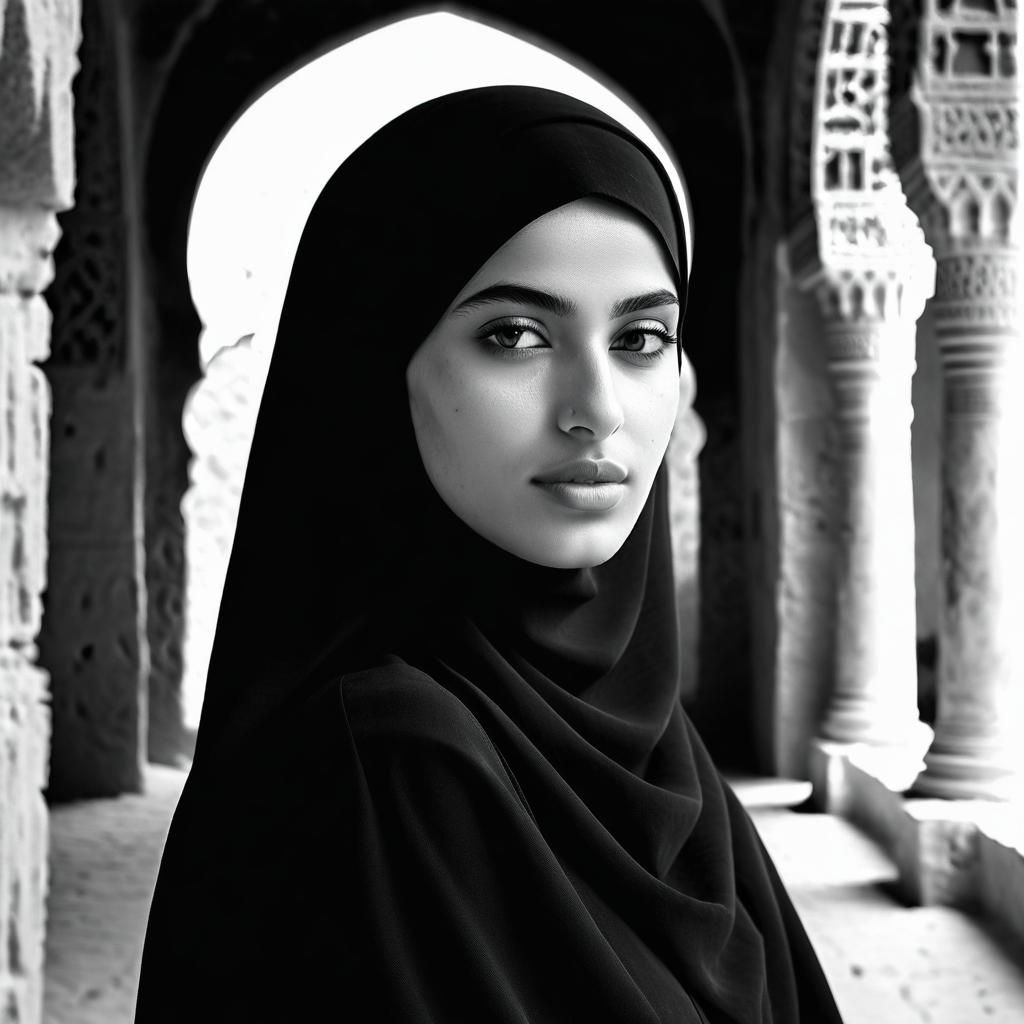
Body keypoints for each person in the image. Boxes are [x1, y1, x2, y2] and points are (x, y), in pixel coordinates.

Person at [135, 85, 843, 1023]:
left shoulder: (651, 747)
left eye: (641, 339)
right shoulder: (386, 766)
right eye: (514, 335)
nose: (596, 406)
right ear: (376, 366)